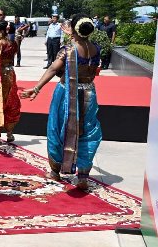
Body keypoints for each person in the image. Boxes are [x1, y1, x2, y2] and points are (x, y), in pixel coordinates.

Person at [21, 14, 102, 190]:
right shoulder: (96, 48)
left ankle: (55, 171)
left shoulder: (68, 50)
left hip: (67, 93)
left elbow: (52, 68)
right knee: (87, 132)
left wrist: (36, 89)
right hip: (89, 93)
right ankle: (82, 177)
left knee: (58, 128)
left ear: (74, 30)